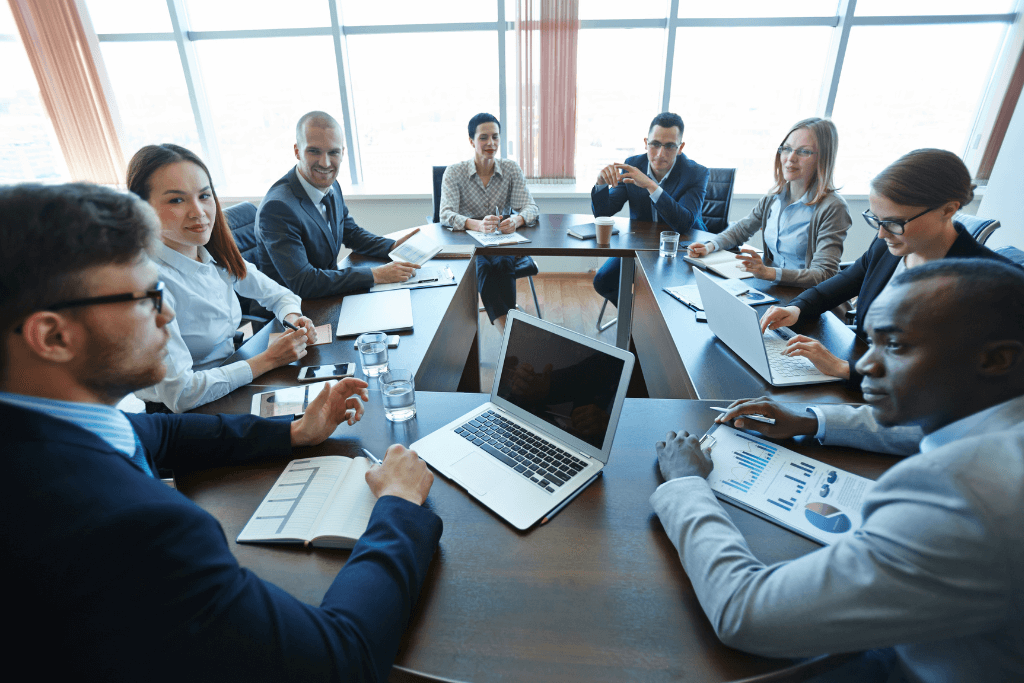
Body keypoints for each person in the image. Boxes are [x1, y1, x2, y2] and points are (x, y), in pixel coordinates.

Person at [1, 182, 442, 682]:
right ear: (53, 337)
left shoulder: (41, 421)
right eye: (148, 297)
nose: (168, 314)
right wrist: (400, 506)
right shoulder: (134, 531)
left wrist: (295, 431)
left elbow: (157, 433)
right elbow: (342, 660)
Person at [652, 259, 1024, 683]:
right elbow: (926, 422)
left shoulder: (959, 494)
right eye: (872, 342)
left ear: (996, 360)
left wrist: (685, 484)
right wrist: (813, 419)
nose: (864, 366)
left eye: (897, 347)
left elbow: (747, 613)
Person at [759, 149, 1012, 385]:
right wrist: (796, 309)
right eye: (877, 220)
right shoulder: (891, 246)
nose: (881, 234)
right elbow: (842, 283)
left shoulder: (988, 287)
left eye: (893, 222)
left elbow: (941, 378)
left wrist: (845, 368)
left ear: (948, 210)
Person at [127, 144, 313, 413]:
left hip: (233, 380)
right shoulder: (148, 287)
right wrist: (268, 360)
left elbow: (279, 295)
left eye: (204, 195)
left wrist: (294, 319)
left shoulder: (212, 253)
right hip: (188, 414)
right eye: (176, 200)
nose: (198, 212)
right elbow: (182, 394)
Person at [255, 111, 420, 297]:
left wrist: (392, 247)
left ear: (342, 152)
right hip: (294, 313)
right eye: (314, 151)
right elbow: (304, 282)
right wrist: (375, 275)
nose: (325, 163)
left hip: (327, 296)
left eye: (333, 152)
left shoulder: (331, 184)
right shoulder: (278, 208)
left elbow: (351, 233)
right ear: (297, 151)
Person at [687, 117, 851, 287]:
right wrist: (709, 246)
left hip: (808, 299)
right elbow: (741, 230)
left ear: (823, 158)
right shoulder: (774, 196)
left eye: (803, 151)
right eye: (787, 149)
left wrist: (769, 272)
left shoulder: (833, 208)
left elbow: (824, 274)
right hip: (776, 289)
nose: (790, 158)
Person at [592, 112, 708, 307]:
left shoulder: (696, 173)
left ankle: (651, 325)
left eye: (670, 146)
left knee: (669, 297)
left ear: (680, 148)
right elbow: (604, 213)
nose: (660, 153)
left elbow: (684, 222)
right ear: (646, 142)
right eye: (655, 144)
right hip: (642, 245)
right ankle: (635, 325)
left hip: (684, 246)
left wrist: (651, 186)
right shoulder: (633, 164)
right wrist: (601, 185)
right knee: (603, 281)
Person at [439, 113, 539, 333]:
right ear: (471, 141)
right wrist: (475, 224)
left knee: (502, 263)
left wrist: (516, 219)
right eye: (484, 137)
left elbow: (531, 208)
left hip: (502, 240)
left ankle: (508, 334)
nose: (491, 143)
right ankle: (509, 332)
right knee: (483, 266)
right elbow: (445, 215)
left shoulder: (511, 169)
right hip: (468, 242)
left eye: (495, 137)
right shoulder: (454, 173)